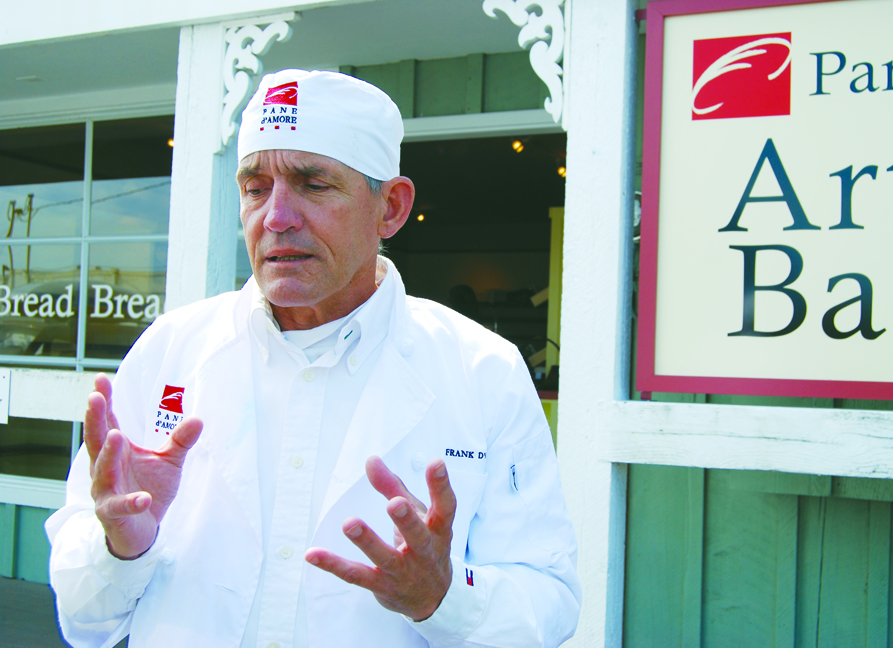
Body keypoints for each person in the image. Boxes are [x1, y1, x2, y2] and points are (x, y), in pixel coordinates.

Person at [45, 69, 580, 648]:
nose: (276, 217)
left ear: (391, 207)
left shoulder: (484, 371)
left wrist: (445, 596)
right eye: (255, 188)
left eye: (313, 184)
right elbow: (83, 615)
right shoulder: (169, 350)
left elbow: (549, 600)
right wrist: (121, 547)